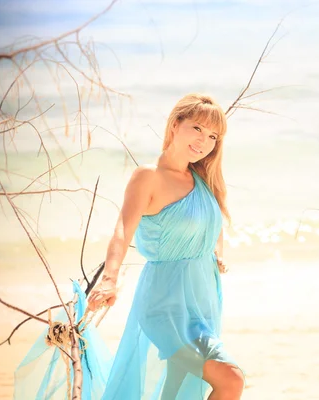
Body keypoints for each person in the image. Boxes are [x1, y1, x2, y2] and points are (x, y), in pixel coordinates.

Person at [86, 93, 244, 400]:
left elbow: (212, 223)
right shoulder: (149, 176)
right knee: (230, 380)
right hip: (165, 302)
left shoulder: (201, 179)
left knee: (174, 392)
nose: (203, 141)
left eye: (213, 136)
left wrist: (216, 254)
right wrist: (109, 279)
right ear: (175, 125)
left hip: (202, 301)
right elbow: (122, 230)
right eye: (197, 128)